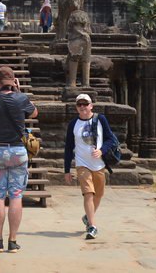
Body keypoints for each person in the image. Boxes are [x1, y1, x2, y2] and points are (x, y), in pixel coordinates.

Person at [0, 66, 37, 253]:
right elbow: (34, 113)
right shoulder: (21, 98)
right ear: (13, 81)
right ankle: (12, 241)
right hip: (17, 151)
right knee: (16, 195)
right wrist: (19, 91)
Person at [63, 93, 114, 240]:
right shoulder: (73, 124)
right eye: (79, 104)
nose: (82, 107)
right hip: (82, 164)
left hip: (99, 164)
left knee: (98, 194)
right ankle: (92, 226)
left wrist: (102, 150)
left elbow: (111, 139)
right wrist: (67, 170)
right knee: (88, 193)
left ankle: (87, 217)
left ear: (91, 106)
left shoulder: (100, 119)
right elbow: (68, 148)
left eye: (85, 104)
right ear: (76, 107)